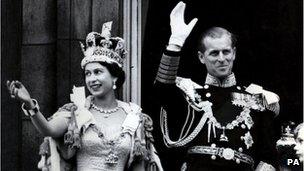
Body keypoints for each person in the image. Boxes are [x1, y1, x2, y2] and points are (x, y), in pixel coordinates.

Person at [7, 21, 162, 171]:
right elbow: (49, 130)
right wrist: (29, 104)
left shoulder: (133, 116)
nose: (92, 79)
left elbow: (139, 166)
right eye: (88, 74)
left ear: (115, 77)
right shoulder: (78, 111)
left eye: (98, 72)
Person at [154, 2, 280, 171]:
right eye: (214, 53)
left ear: (234, 53)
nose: (221, 58)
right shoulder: (191, 96)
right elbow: (162, 91)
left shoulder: (256, 98)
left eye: (226, 51)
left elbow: (269, 157)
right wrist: (175, 44)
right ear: (201, 57)